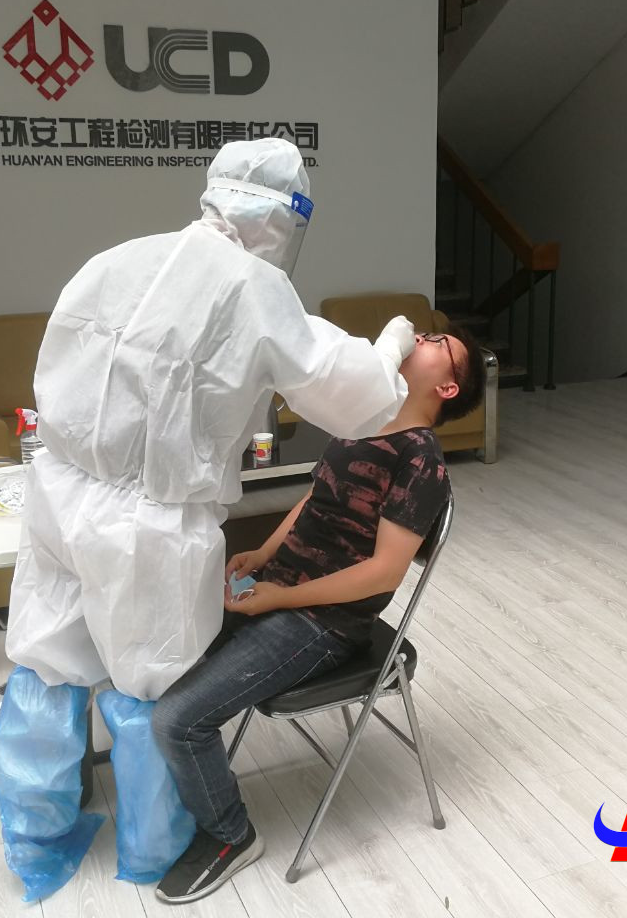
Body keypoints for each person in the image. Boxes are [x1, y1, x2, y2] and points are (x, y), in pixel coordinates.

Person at [0, 138, 422, 901]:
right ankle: (157, 845)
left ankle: (35, 829)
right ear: (285, 220)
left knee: (48, 656)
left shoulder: (117, 258)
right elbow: (354, 398)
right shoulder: (255, 289)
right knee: (150, 680)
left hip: (57, 491)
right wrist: (392, 345)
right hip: (148, 525)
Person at [148, 326, 486, 905]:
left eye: (438, 342)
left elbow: (384, 574)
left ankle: (230, 836)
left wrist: (279, 598)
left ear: (448, 387)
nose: (423, 338)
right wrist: (264, 554)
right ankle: (181, 789)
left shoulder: (420, 459)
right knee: (157, 658)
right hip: (281, 589)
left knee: (177, 720)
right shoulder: (364, 418)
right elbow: (316, 497)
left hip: (323, 625)